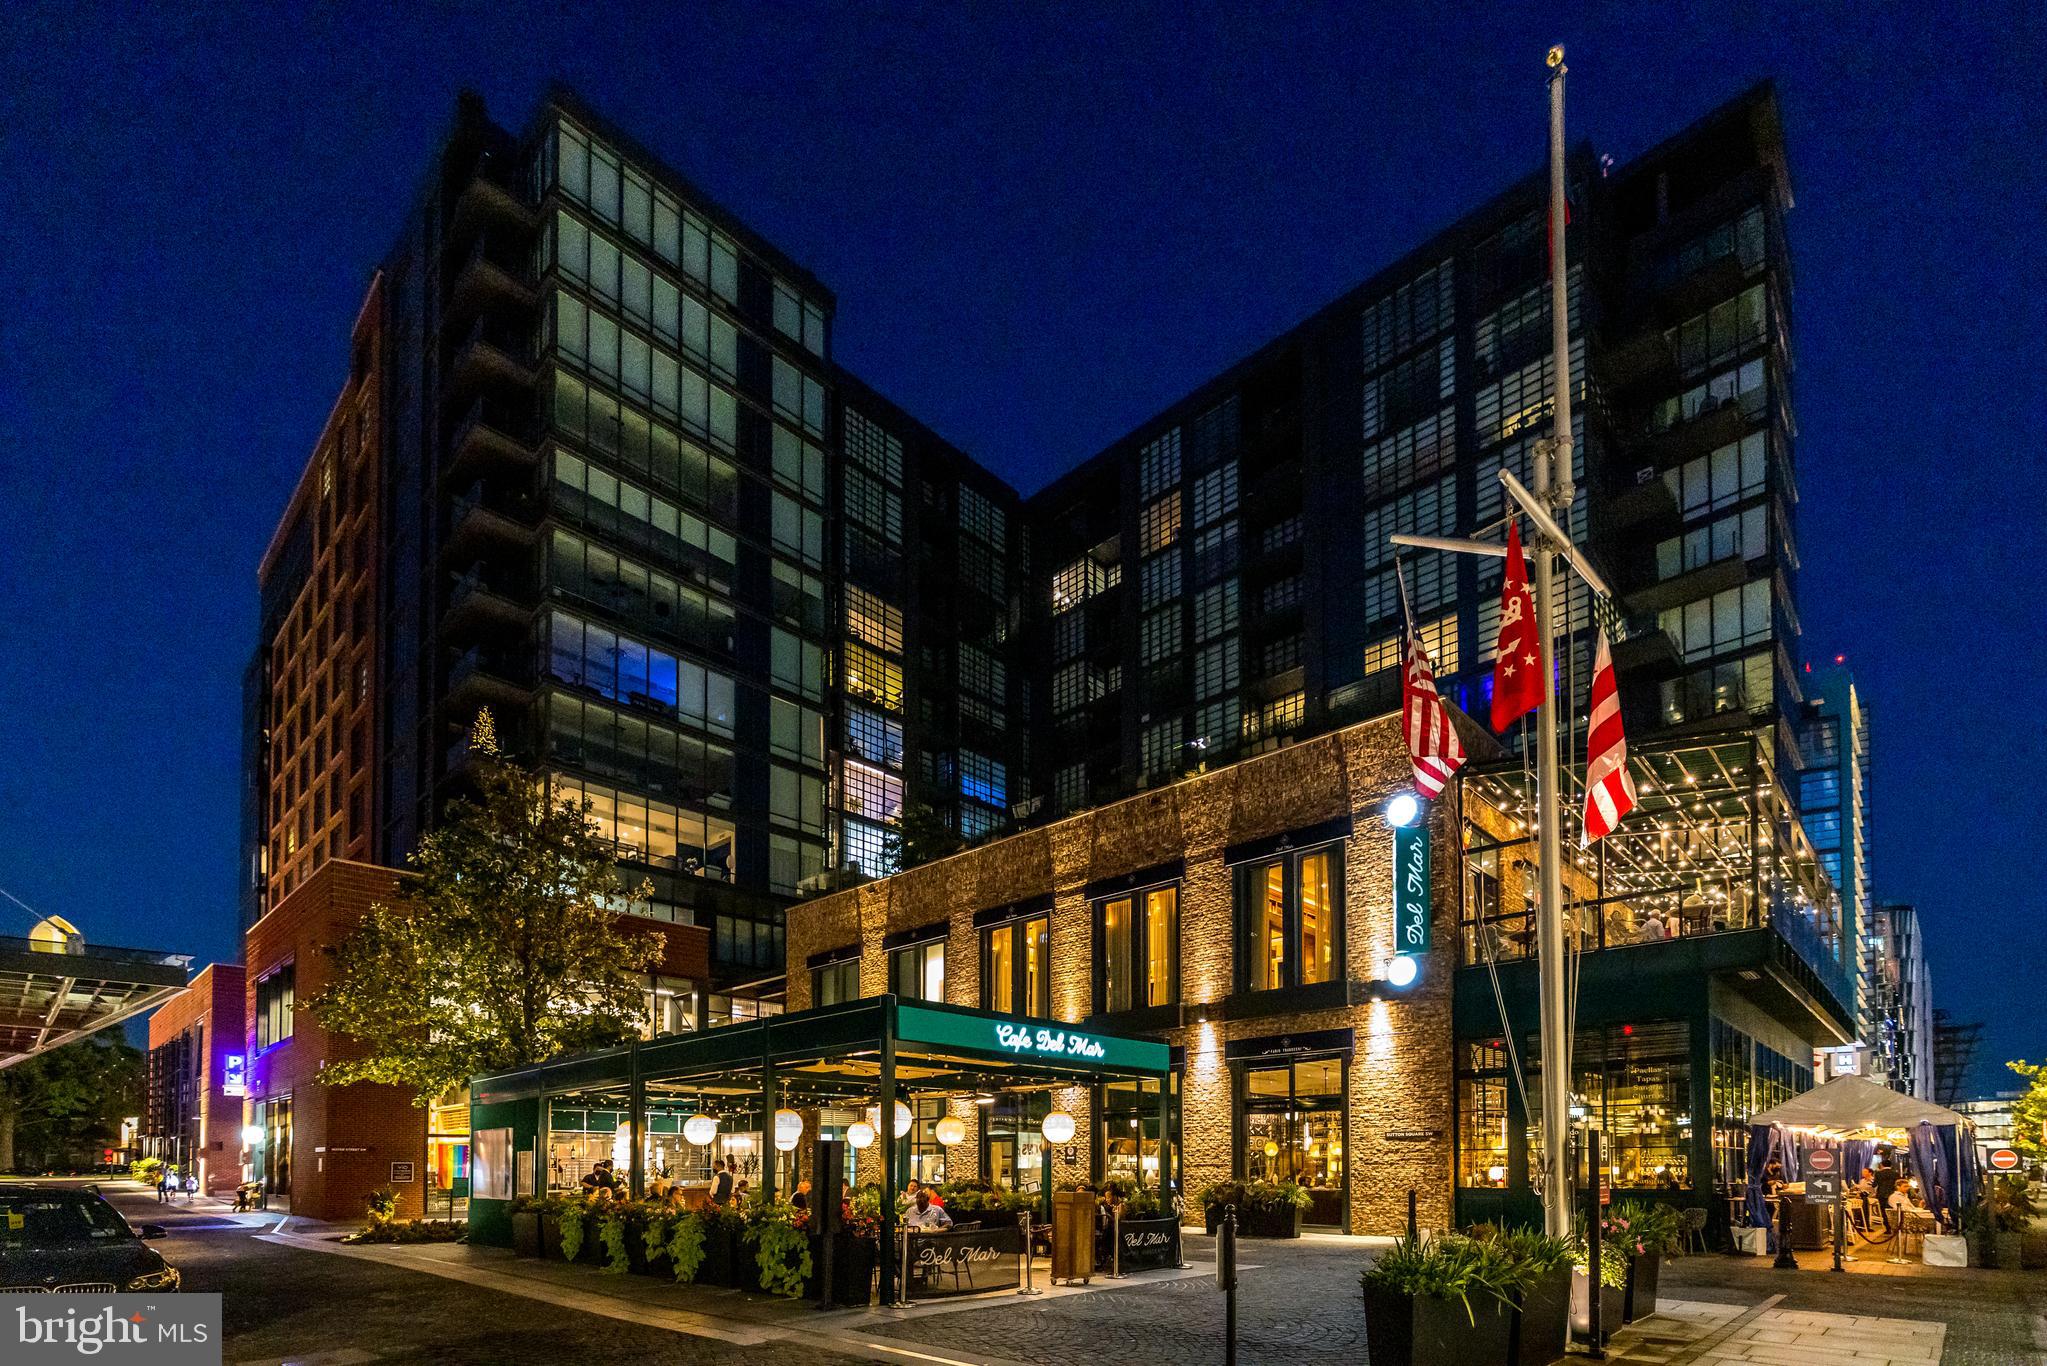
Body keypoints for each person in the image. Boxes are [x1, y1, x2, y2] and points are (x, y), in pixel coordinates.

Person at [1872, 1155, 1898, 1230]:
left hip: (1881, 1194)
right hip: (1892, 1194)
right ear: (1891, 1165)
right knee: (1893, 1210)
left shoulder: (1878, 1173)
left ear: (1882, 1165)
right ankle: (1895, 1226)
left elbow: (1874, 1185)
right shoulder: (1895, 1173)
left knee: (1883, 1211)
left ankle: (1888, 1227)